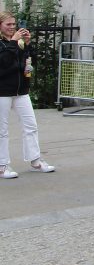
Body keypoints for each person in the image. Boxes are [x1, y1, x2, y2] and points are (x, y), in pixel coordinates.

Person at [0, 11, 55, 179]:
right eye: (8, 24)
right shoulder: (5, 43)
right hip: (3, 91)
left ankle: (35, 161)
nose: (12, 27)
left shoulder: (19, 42)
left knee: (30, 125)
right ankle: (2, 165)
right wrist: (14, 42)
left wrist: (27, 45)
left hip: (21, 91)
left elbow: (29, 62)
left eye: (14, 24)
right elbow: (4, 63)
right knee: (2, 130)